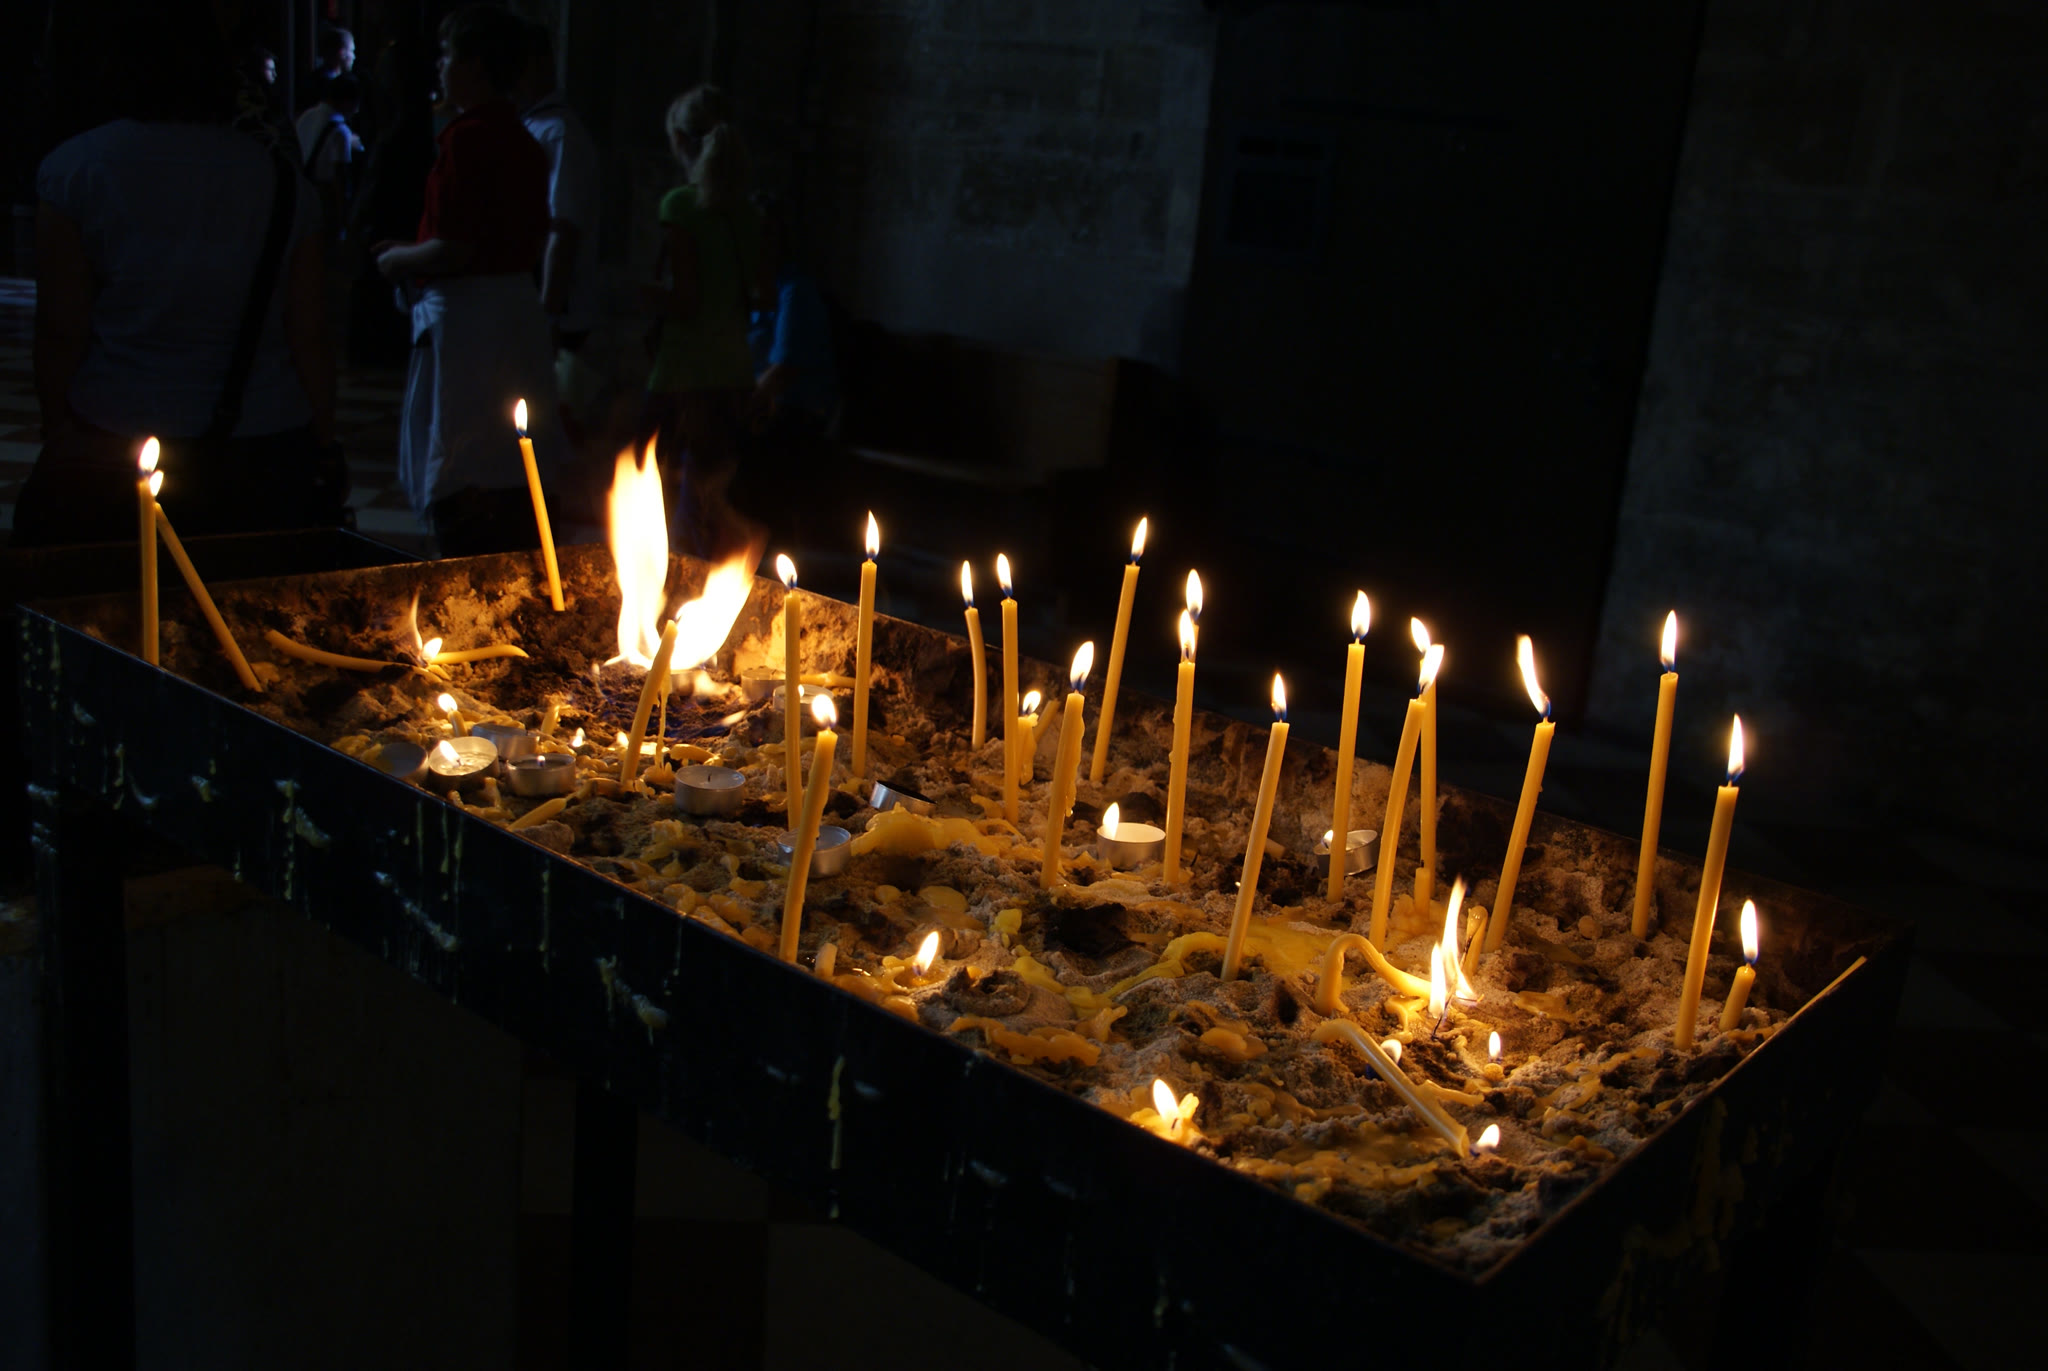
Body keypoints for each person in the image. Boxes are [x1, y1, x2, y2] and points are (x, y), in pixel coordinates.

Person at [15, 12, 343, 548]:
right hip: (262, 440)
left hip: (115, 427)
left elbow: (60, 329)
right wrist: (324, 442)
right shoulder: (280, 179)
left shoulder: (76, 169)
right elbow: (308, 332)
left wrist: (58, 430)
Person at [376, 3, 566, 557]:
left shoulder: (468, 138)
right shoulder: (523, 140)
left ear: (477, 66)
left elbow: (455, 247)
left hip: (468, 323)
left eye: (448, 55)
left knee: (462, 454)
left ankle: (463, 547)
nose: (440, 67)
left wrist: (398, 260)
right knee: (509, 454)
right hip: (516, 312)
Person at [642, 86, 769, 560]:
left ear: (679, 140)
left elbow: (686, 298)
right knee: (705, 495)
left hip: (681, 371)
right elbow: (764, 293)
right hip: (733, 371)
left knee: (649, 483)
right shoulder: (749, 214)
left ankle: (670, 583)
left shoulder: (681, 205)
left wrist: (639, 294)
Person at [513, 21, 601, 436]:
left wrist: (547, 313)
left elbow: (562, 229)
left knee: (549, 422)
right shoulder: (534, 126)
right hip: (534, 303)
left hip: (556, 313)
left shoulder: (560, 133)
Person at [748, 197, 840, 441]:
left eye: (767, 234)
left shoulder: (795, 291)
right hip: (762, 408)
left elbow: (782, 372)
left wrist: (736, 411)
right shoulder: (752, 295)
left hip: (797, 413)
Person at [295, 73, 363, 231]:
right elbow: (340, 179)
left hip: (301, 195)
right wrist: (344, 218)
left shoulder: (306, 116)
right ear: (347, 101)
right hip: (324, 200)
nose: (357, 110)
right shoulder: (340, 131)